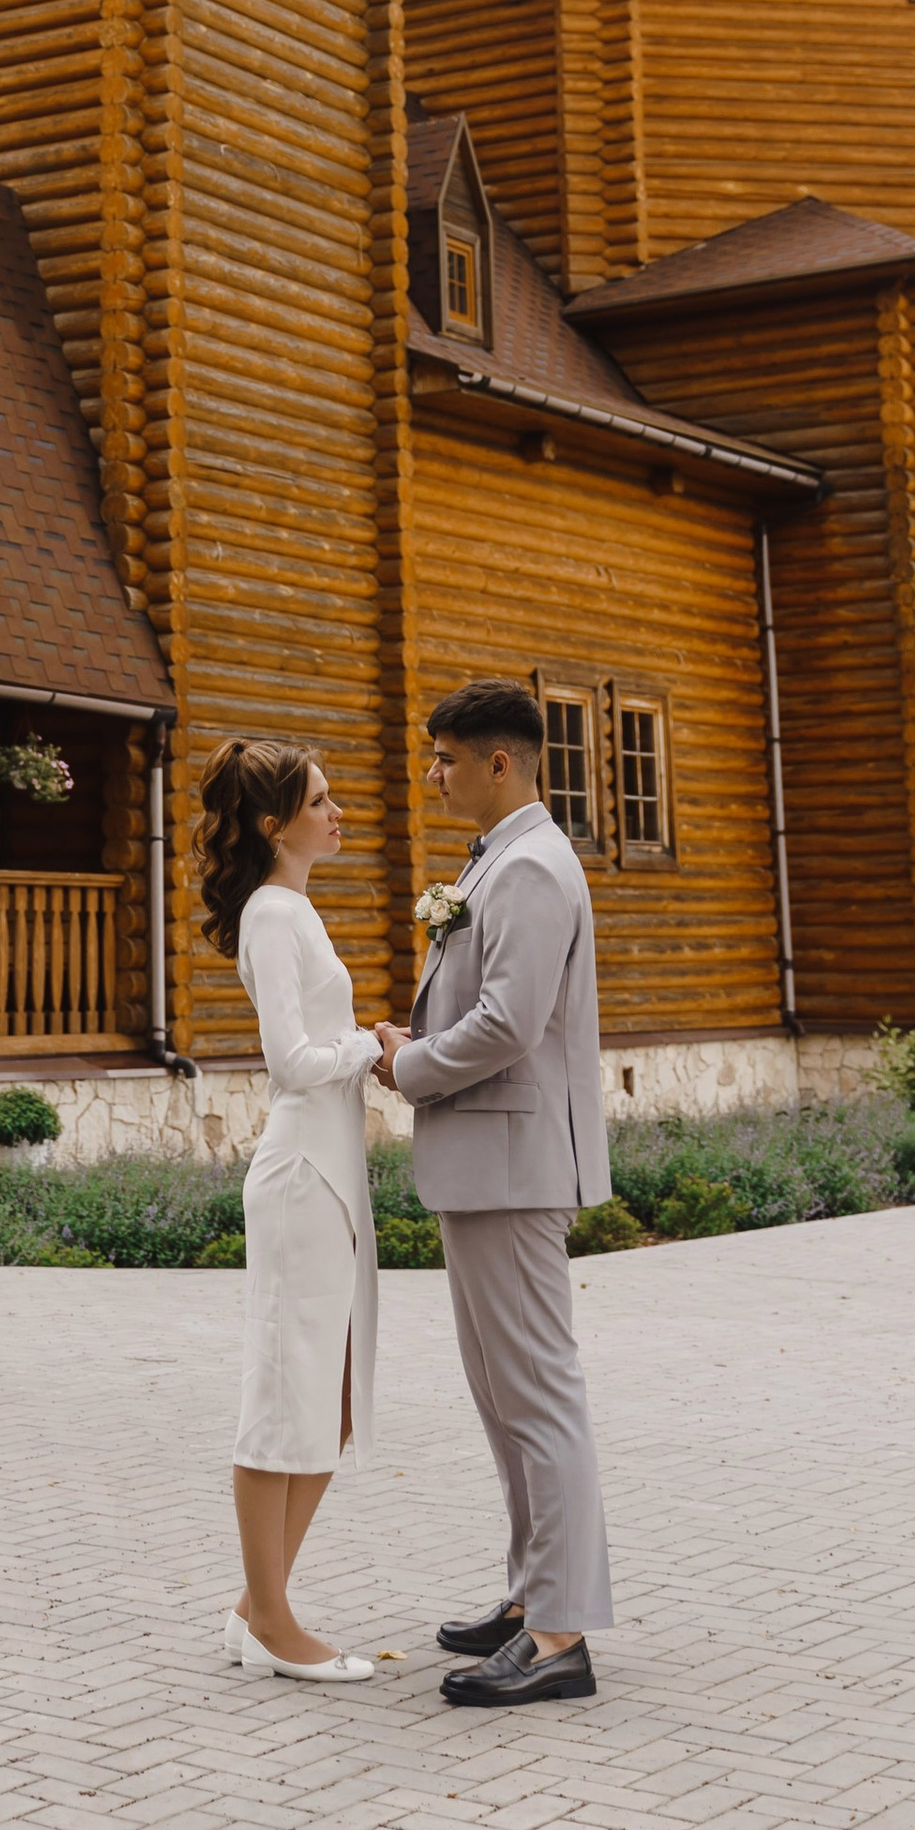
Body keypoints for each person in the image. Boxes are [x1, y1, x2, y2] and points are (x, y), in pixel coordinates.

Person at [376, 676, 613, 1707]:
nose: (432, 776)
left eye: (444, 759)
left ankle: (559, 1634)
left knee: (538, 1397)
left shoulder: (527, 869)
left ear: (499, 764)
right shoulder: (502, 860)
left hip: (513, 1166)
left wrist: (408, 1063)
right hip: (485, 1163)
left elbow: (511, 1024)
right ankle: (528, 1596)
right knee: (501, 1398)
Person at [198, 736, 379, 1686]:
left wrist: (359, 1042)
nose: (337, 811)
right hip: (301, 1175)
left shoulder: (294, 909)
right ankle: (273, 1620)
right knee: (283, 1397)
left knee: (330, 1402)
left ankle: (251, 1605)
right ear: (275, 825)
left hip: (331, 1175)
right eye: (320, 800)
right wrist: (371, 1044)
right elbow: (291, 1061)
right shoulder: (275, 914)